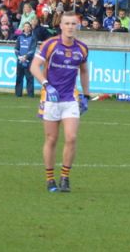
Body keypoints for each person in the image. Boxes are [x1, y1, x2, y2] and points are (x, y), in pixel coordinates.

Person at [30, 13, 90, 193]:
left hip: (70, 98)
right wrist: (46, 85)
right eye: (67, 23)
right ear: (61, 26)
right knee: (51, 138)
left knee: (71, 137)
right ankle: (50, 179)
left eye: (73, 23)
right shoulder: (50, 44)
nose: (70, 26)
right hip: (51, 98)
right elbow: (34, 66)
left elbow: (84, 71)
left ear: (77, 26)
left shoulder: (82, 48)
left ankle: (65, 177)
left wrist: (86, 95)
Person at [13, 19, 39, 99]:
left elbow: (32, 50)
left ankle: (30, 95)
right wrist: (19, 57)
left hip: (29, 61)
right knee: (19, 77)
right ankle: (18, 94)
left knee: (29, 78)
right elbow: (16, 49)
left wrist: (26, 57)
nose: (27, 28)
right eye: (25, 27)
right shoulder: (19, 37)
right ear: (23, 28)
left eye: (28, 27)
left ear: (30, 28)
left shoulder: (33, 38)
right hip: (20, 60)